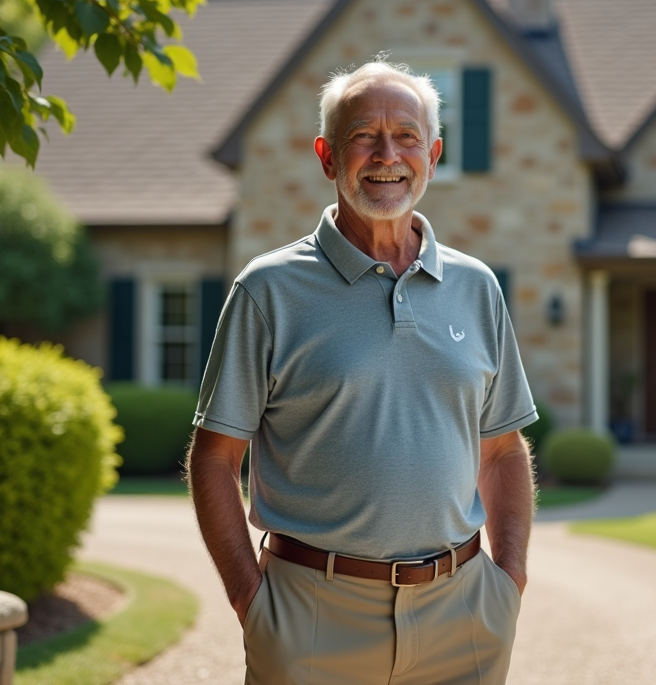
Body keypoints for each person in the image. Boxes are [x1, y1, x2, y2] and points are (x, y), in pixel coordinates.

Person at [187, 58, 538, 685]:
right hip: (313, 617)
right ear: (326, 156)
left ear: (433, 153)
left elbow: (502, 451)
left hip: (464, 615)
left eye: (406, 135)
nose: (387, 154)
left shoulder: (476, 287)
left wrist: (508, 580)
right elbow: (213, 461)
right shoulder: (268, 291)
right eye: (362, 136)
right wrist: (254, 606)